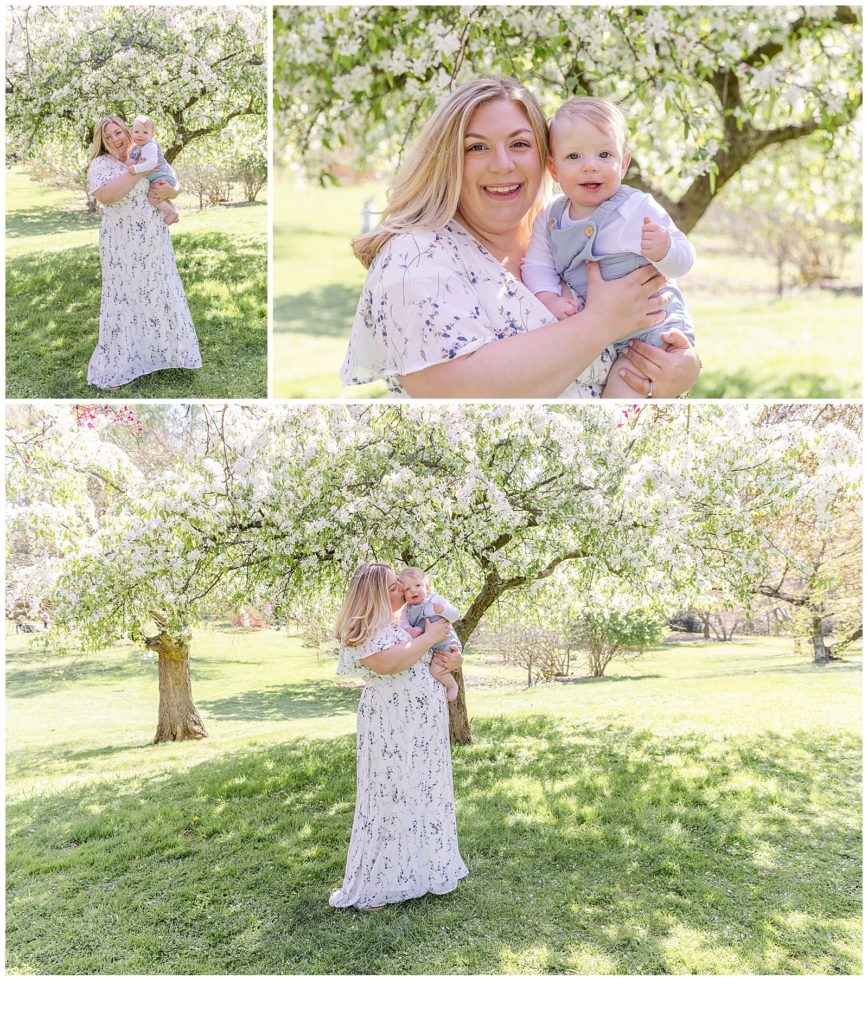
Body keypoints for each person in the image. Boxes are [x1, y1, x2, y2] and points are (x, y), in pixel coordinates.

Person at [341, 77, 701, 399]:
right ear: (447, 160)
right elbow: (451, 392)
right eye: (476, 147)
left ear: (545, 161)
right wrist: (600, 323)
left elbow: (652, 310)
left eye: (519, 144)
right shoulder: (415, 257)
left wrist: (676, 371)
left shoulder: (559, 238)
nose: (502, 165)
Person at [522, 97, 696, 398]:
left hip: (652, 333)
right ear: (553, 168)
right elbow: (537, 267)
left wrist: (665, 250)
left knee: (621, 393)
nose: (591, 166)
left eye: (604, 154)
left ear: (624, 162)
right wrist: (549, 298)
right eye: (574, 157)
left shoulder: (635, 208)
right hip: (602, 335)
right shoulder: (550, 219)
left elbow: (685, 260)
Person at [330, 563, 468, 910]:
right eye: (393, 587)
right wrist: (431, 637)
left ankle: (421, 872)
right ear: (375, 592)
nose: (402, 592)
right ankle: (378, 884)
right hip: (391, 723)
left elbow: (433, 654)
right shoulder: (362, 630)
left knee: (422, 788)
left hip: (423, 722)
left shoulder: (403, 622)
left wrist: (452, 657)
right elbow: (390, 664)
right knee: (390, 792)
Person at [85, 116, 201, 390]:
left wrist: (173, 189)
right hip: (121, 241)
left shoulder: (144, 150)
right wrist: (137, 170)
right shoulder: (101, 165)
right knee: (123, 296)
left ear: (127, 132)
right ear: (101, 142)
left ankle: (165, 354)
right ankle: (117, 365)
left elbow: (171, 179)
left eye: (118, 132)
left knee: (157, 290)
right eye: (108, 137)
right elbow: (108, 195)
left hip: (153, 237)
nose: (115, 139)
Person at [398, 567, 461, 702]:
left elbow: (456, 615)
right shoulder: (406, 609)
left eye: (417, 585)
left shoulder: (435, 600)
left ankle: (452, 685)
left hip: (446, 645)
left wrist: (443, 610)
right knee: (435, 669)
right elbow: (402, 624)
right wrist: (410, 630)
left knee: (436, 669)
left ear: (427, 586)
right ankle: (444, 685)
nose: (413, 590)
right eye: (407, 589)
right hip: (432, 648)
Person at [126, 115, 180, 224]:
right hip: (160, 176)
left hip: (162, 176)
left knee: (153, 197)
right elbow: (133, 159)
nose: (140, 135)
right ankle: (173, 212)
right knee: (160, 196)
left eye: (145, 133)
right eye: (137, 132)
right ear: (131, 133)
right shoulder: (136, 148)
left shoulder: (149, 146)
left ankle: (172, 213)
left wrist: (135, 169)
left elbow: (152, 163)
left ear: (152, 135)